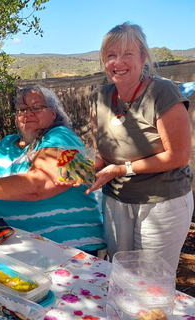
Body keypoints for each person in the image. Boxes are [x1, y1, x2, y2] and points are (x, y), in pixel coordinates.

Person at [0, 84, 106, 254]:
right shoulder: (6, 143)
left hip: (64, 247)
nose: (28, 114)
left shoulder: (61, 136)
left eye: (37, 107)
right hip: (14, 242)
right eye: (22, 109)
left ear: (53, 113)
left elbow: (38, 185)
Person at [85, 22, 193, 272]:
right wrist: (79, 169)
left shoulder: (162, 92)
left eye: (127, 54)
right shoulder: (98, 97)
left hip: (162, 202)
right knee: (121, 273)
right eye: (110, 55)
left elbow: (178, 156)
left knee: (151, 280)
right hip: (116, 201)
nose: (117, 62)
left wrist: (122, 170)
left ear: (143, 57)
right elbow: (100, 153)